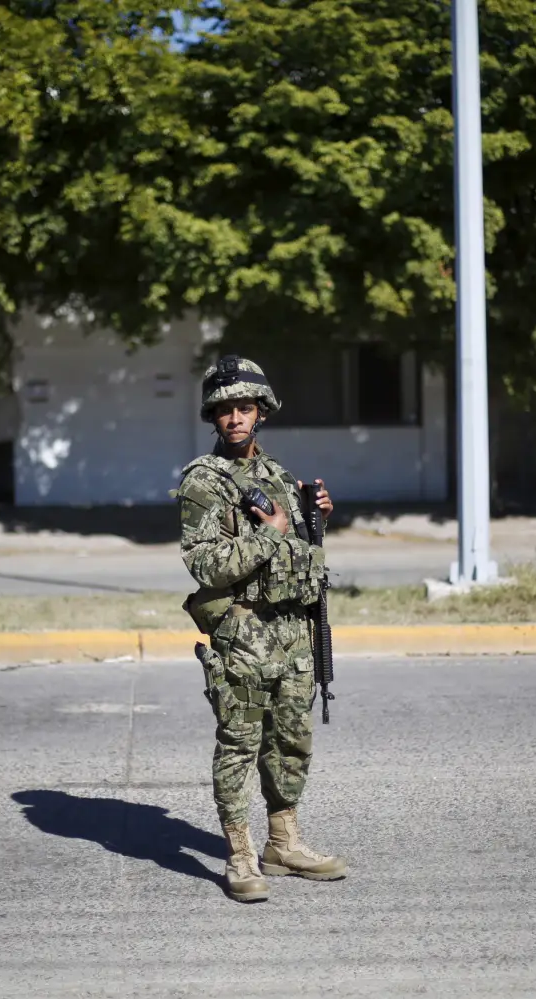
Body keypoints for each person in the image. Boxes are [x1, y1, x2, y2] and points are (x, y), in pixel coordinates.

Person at [175, 354, 348, 902]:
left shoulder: (279, 476)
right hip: (243, 637)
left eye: (244, 407)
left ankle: (283, 841)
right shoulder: (203, 483)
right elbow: (205, 565)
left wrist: (316, 517)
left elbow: (299, 554)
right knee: (238, 747)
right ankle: (241, 854)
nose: (235, 418)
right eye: (225, 409)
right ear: (214, 416)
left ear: (261, 412)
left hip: (294, 634)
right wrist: (271, 533)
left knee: (291, 743)